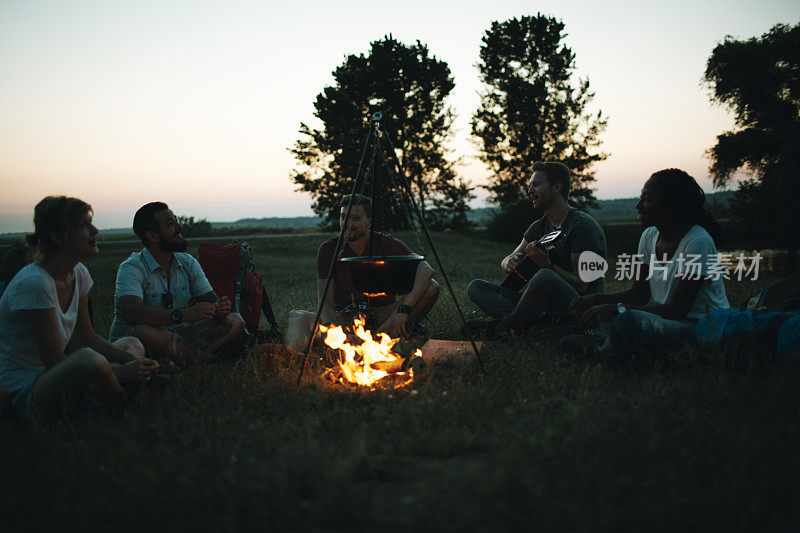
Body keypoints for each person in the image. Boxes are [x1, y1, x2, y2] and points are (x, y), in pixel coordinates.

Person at [0, 196, 159, 421]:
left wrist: (132, 362)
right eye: (84, 225)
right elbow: (55, 362)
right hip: (23, 389)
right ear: (57, 236)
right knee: (87, 360)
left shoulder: (79, 272)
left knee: (131, 344)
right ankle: (121, 401)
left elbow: (85, 336)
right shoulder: (35, 283)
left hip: (56, 375)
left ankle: (109, 390)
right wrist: (124, 371)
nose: (94, 230)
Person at [565, 168, 730, 362]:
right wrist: (595, 300)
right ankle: (617, 348)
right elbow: (638, 295)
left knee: (626, 322)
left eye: (647, 199)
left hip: (700, 327)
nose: (638, 206)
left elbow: (676, 311)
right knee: (601, 323)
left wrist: (615, 309)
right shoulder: (649, 236)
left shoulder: (697, 242)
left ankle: (602, 353)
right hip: (665, 322)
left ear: (670, 206)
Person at [466, 161, 607, 336]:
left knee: (544, 276)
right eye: (530, 185)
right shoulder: (539, 226)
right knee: (476, 287)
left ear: (556, 188)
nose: (530, 190)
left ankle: (504, 328)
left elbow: (582, 286)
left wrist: (546, 264)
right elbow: (513, 255)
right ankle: (535, 325)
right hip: (544, 308)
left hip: (581, 308)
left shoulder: (583, 227)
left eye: (536, 185)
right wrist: (507, 262)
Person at [285, 194, 440, 349]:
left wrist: (403, 310)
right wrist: (331, 329)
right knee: (298, 316)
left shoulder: (386, 243)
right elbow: (325, 300)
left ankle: (378, 339)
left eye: (355, 219)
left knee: (432, 287)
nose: (347, 223)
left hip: (384, 316)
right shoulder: (329, 249)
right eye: (343, 217)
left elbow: (426, 270)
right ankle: (291, 358)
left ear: (369, 222)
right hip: (346, 317)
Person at [108, 202, 245, 361]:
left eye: (176, 221)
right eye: (170, 224)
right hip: (137, 343)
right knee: (143, 331)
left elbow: (212, 301)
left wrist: (220, 307)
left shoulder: (188, 263)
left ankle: (184, 358)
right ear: (152, 236)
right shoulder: (131, 268)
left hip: (176, 337)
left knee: (234, 320)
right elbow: (131, 313)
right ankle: (200, 359)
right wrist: (184, 315)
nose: (179, 228)